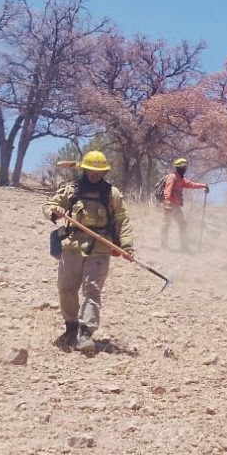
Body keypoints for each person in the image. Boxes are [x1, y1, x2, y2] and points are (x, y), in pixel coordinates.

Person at [42, 151, 134, 354]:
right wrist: (55, 211)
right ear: (84, 170)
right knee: (66, 288)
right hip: (72, 247)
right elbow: (49, 205)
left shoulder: (112, 194)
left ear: (105, 172)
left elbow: (123, 221)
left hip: (100, 250)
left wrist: (127, 246)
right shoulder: (71, 189)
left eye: (99, 172)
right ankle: (71, 328)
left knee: (92, 290)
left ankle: (85, 332)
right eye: (91, 171)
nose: (94, 175)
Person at [159, 157, 209, 251]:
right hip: (169, 205)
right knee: (166, 224)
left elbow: (191, 184)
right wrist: (167, 203)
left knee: (182, 224)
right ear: (179, 167)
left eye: (185, 167)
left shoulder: (181, 179)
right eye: (183, 167)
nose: (185, 169)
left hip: (175, 206)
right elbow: (167, 191)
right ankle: (163, 246)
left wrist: (204, 186)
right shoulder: (172, 177)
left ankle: (184, 247)